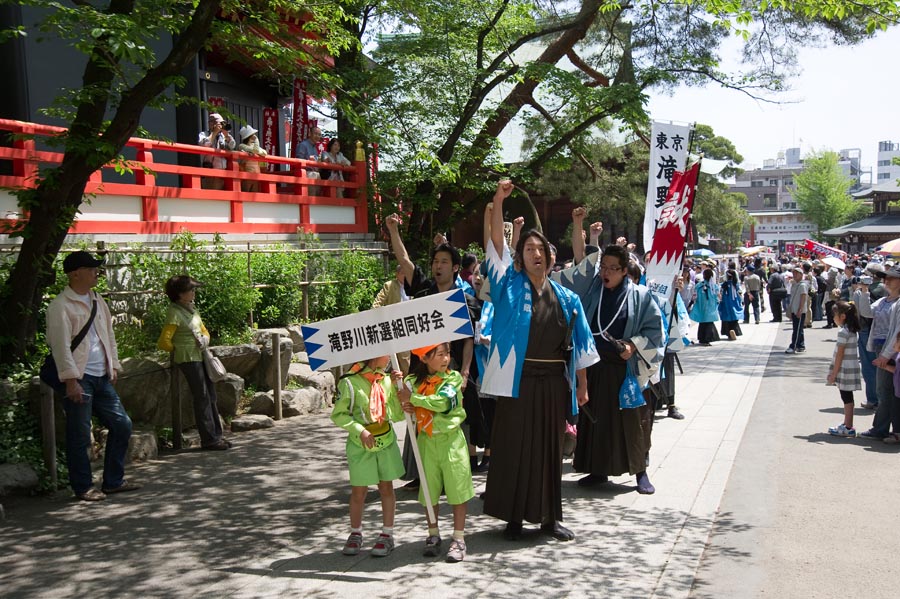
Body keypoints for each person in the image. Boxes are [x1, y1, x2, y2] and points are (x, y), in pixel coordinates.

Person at [484, 181, 598, 541]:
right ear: (520, 257)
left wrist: (581, 387)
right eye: (528, 249)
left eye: (541, 249)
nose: (535, 254)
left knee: (551, 451)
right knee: (514, 446)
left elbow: (580, 347)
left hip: (552, 383)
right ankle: (514, 518)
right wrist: (498, 202)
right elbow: (495, 246)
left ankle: (550, 518)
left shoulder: (567, 298)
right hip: (517, 379)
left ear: (550, 257)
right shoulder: (507, 284)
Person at [553, 240, 664, 496]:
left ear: (625, 270)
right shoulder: (593, 292)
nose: (606, 273)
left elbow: (655, 331)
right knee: (597, 421)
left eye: (613, 268)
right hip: (596, 367)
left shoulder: (640, 295)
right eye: (604, 267)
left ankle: (640, 472)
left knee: (632, 422)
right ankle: (598, 468)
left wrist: (633, 346)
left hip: (625, 369)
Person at [385, 213, 478, 490]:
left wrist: (464, 373)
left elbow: (469, 339)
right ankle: (419, 474)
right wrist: (393, 230)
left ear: (456, 268)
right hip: (422, 369)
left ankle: (452, 476)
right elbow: (404, 261)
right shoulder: (424, 291)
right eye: (435, 262)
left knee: (450, 423)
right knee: (418, 417)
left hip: (451, 372)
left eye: (444, 262)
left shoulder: (465, 300)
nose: (438, 266)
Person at [46, 251, 138, 501]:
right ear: (74, 273)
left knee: (122, 424)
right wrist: (70, 380)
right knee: (79, 433)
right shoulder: (60, 306)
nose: (96, 272)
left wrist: (113, 365)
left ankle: (113, 480)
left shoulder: (97, 300)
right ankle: (83, 486)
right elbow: (60, 346)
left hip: (101, 374)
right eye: (90, 268)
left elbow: (108, 335)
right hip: (80, 375)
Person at [398, 343, 473, 563]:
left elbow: (443, 403)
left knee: (457, 489)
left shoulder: (453, 379)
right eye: (440, 355)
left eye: (447, 354)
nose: (445, 359)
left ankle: (458, 538)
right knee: (429, 491)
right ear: (424, 358)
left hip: (451, 441)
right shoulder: (411, 383)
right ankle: (433, 534)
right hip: (426, 441)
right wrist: (405, 404)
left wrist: (414, 400)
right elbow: (402, 404)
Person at [331, 356, 408, 558]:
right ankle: (355, 532)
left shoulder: (386, 380)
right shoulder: (349, 381)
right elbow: (339, 414)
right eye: (386, 354)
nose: (390, 357)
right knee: (359, 490)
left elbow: (397, 415)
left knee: (386, 487)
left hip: (385, 440)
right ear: (374, 355)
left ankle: (387, 534)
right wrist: (360, 431)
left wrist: (399, 391)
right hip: (361, 443)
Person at [157, 275, 230, 451]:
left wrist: (204, 339)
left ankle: (216, 436)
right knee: (202, 397)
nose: (194, 292)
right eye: (191, 289)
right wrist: (179, 349)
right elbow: (164, 341)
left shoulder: (191, 309)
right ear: (180, 294)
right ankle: (209, 439)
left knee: (210, 395)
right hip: (188, 358)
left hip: (200, 355)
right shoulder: (174, 312)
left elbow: (204, 330)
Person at [862, 265, 900, 440]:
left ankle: (881, 428)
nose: (886, 280)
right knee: (889, 390)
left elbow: (897, 332)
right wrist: (862, 292)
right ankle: (888, 428)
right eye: (886, 278)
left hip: (891, 349)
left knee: (885, 390)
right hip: (885, 348)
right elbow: (866, 312)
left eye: (891, 278)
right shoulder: (885, 300)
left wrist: (886, 354)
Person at [826, 302, 862, 437]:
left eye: (834, 315)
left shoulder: (843, 332)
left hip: (844, 368)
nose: (833, 318)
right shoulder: (851, 330)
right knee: (848, 397)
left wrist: (833, 374)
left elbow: (840, 354)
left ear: (842, 316)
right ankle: (848, 424)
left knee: (846, 397)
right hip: (851, 367)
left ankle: (848, 426)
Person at [198, 112, 235, 190]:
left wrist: (227, 135)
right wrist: (214, 133)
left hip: (223, 172)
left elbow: (232, 146)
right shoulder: (204, 134)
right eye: (219, 123)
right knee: (211, 198)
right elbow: (203, 145)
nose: (220, 126)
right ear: (211, 123)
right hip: (210, 172)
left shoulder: (223, 135)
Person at [690, 268, 720, 346]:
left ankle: (702, 338)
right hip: (710, 307)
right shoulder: (714, 286)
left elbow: (694, 297)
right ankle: (707, 339)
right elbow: (718, 297)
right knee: (709, 322)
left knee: (702, 322)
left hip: (701, 307)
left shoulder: (699, 285)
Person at [237, 125, 268, 192]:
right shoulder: (242, 146)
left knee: (255, 194)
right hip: (247, 174)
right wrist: (257, 140)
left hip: (256, 174)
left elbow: (264, 153)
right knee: (246, 193)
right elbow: (256, 150)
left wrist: (256, 150)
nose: (254, 136)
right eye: (253, 135)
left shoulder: (254, 146)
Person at [785, 267, 808, 354]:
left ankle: (793, 346)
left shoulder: (802, 285)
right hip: (794, 309)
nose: (794, 275)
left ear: (801, 275)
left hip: (799, 310)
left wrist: (800, 309)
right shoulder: (794, 284)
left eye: (797, 273)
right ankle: (801, 345)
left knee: (796, 329)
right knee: (798, 328)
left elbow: (803, 297)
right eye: (793, 273)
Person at [719, 269, 743, 341]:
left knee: (726, 317)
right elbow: (739, 293)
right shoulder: (736, 284)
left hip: (726, 303)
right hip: (734, 303)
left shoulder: (725, 284)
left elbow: (721, 293)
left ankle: (728, 332)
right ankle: (735, 331)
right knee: (734, 317)